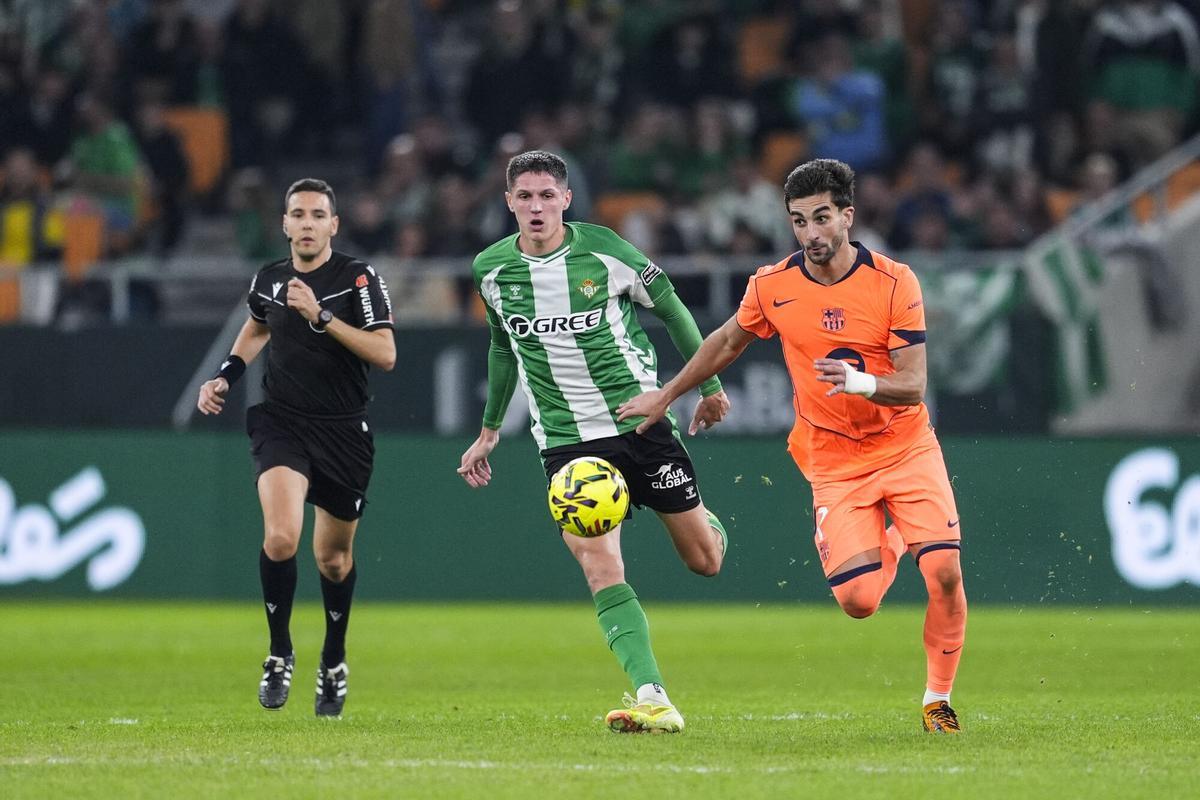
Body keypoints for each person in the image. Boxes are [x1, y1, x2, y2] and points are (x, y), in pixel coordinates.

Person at [617, 159, 968, 734]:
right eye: (799, 221)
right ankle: (899, 534)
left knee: (945, 572)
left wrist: (859, 382)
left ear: (847, 217)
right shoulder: (773, 285)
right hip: (833, 460)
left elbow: (913, 385)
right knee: (858, 602)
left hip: (904, 447)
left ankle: (937, 699)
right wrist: (669, 394)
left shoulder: (894, 281)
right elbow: (728, 340)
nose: (811, 233)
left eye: (822, 218)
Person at [457, 151, 731, 734]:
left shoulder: (604, 252)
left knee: (704, 560)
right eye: (524, 197)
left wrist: (707, 385)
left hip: (639, 422)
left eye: (546, 196)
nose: (535, 207)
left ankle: (708, 523)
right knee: (600, 566)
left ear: (565, 200)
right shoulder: (491, 270)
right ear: (508, 202)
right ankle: (653, 696)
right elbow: (503, 349)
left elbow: (673, 308)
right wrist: (487, 431)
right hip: (565, 443)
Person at [196, 178, 396, 717]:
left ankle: (333, 658)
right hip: (281, 421)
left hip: (343, 431)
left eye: (317, 215)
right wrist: (224, 377)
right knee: (282, 537)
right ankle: (279, 650)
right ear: (284, 224)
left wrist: (322, 317)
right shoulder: (269, 279)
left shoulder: (357, 278)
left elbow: (385, 353)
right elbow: (257, 328)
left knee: (332, 560)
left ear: (334, 224)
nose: (306, 223)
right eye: (297, 214)